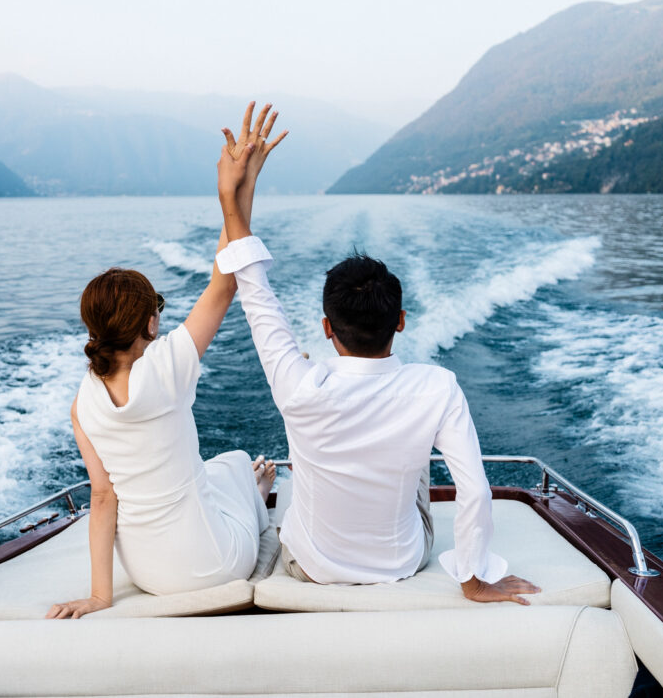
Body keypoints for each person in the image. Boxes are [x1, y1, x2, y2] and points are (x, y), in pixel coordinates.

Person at [214, 103, 539, 605]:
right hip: (401, 561)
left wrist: (234, 192)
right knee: (418, 453)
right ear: (401, 321)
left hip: (311, 567)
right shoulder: (437, 387)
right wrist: (473, 580)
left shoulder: (297, 383)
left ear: (326, 328)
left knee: (308, 459)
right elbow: (474, 491)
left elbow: (253, 287)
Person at [46, 104, 286, 619]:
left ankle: (249, 485)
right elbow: (228, 277)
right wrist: (241, 185)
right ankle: (258, 491)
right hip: (216, 563)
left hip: (148, 574)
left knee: (219, 469)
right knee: (238, 465)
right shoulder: (167, 366)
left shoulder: (82, 405)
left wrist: (99, 597)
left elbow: (103, 498)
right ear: (151, 324)